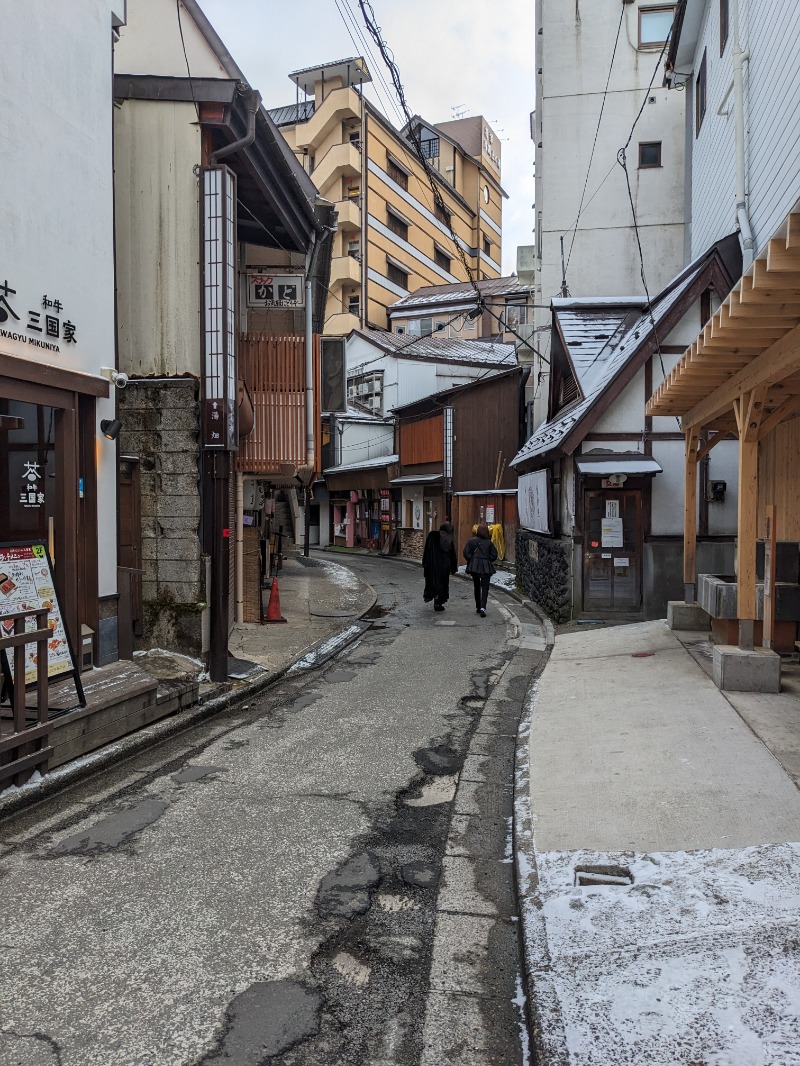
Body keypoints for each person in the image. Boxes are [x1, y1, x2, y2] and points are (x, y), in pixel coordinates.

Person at [463, 523, 498, 617]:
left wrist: (473, 559)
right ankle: (483, 607)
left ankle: (478, 606)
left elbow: (466, 553)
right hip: (486, 567)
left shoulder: (471, 541)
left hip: (474, 567)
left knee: (476, 586)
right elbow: (494, 555)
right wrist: (487, 559)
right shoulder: (489, 543)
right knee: (485, 588)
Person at [422, 521, 458, 612]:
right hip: (443, 567)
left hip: (432, 565)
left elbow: (426, 550)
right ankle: (438, 602)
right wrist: (453, 567)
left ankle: (436, 600)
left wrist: (424, 563)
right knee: (442, 584)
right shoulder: (449, 539)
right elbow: (452, 555)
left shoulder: (432, 536)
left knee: (432, 583)